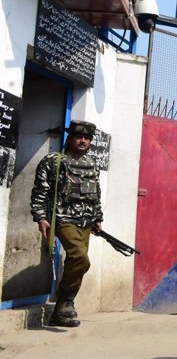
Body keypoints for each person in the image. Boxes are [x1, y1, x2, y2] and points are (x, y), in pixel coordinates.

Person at [30, 120, 103, 328]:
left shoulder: (92, 163)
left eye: (87, 138)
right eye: (79, 137)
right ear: (70, 138)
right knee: (81, 258)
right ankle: (66, 300)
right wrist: (40, 217)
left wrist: (98, 218)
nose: (83, 141)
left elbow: (96, 194)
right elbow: (40, 191)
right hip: (62, 218)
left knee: (77, 263)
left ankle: (61, 309)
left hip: (86, 221)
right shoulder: (53, 161)